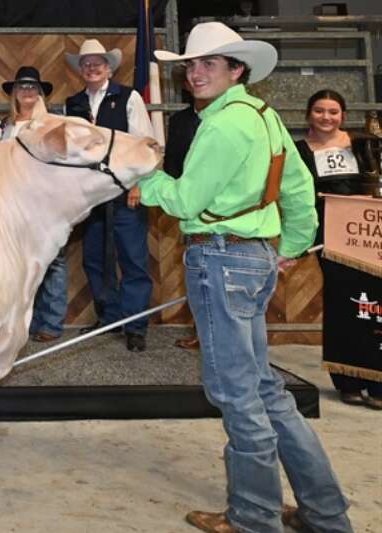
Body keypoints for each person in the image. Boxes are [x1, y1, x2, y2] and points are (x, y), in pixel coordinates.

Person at [140, 22, 352, 533]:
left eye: (208, 63)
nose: (195, 73)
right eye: (190, 65)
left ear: (237, 70)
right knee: (265, 389)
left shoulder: (221, 125)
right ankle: (325, 513)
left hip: (219, 258)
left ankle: (255, 518)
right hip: (254, 258)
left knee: (238, 395)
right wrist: (291, 246)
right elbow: (298, 189)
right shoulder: (264, 116)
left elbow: (185, 200)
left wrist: (144, 178)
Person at [64, 39, 155, 352]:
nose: (91, 68)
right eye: (86, 64)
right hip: (91, 195)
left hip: (125, 191)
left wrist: (138, 184)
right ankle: (109, 317)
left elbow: (145, 142)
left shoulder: (129, 97)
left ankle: (136, 326)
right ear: (80, 69)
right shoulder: (73, 104)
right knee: (95, 259)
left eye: (97, 63)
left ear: (109, 68)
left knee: (132, 259)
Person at [294, 89, 382, 409]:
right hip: (328, 234)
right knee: (342, 303)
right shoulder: (299, 150)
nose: (326, 117)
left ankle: (377, 379)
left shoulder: (363, 144)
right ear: (309, 114)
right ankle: (347, 380)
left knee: (374, 305)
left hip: (367, 233)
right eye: (319, 110)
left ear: (343, 115)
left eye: (333, 111)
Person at [0, 66, 65, 342]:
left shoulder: (50, 124)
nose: (27, 91)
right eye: (22, 87)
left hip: (44, 198)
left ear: (40, 93)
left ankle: (51, 322)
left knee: (53, 261)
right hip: (12, 201)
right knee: (18, 263)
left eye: (32, 87)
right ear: (14, 93)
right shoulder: (5, 126)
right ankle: (23, 321)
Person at [165, 77, 213, 351]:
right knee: (196, 271)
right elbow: (172, 163)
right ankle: (199, 329)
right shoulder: (180, 120)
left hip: (225, 206)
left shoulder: (230, 119)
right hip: (189, 205)